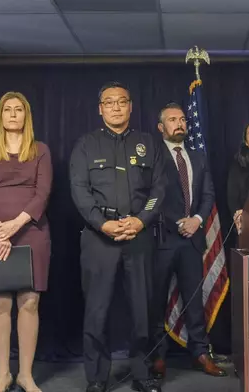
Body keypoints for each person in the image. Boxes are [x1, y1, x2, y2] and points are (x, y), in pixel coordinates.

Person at [69, 82, 165, 392]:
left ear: (130, 106)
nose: (115, 107)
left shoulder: (148, 143)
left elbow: (159, 190)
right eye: (109, 102)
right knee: (97, 312)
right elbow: (80, 191)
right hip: (99, 239)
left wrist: (141, 220)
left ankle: (142, 372)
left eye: (121, 102)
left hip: (138, 236)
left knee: (142, 309)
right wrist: (101, 223)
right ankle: (97, 378)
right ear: (100, 109)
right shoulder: (86, 145)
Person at [0, 92, 53, 392]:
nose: (13, 114)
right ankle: (3, 374)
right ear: (0, 115)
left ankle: (26, 375)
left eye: (19, 109)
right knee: (0, 304)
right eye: (8, 109)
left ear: (26, 115)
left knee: (30, 302)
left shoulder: (40, 150)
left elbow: (43, 193)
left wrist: (15, 225)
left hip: (31, 231)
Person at [149, 103, 227, 381]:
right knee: (157, 300)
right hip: (162, 239)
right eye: (172, 119)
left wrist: (196, 219)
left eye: (182, 119)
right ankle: (157, 356)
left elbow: (208, 194)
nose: (179, 123)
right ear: (161, 127)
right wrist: (176, 223)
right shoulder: (154, 156)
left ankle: (200, 353)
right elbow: (151, 197)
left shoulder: (198, 156)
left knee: (194, 300)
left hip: (193, 239)